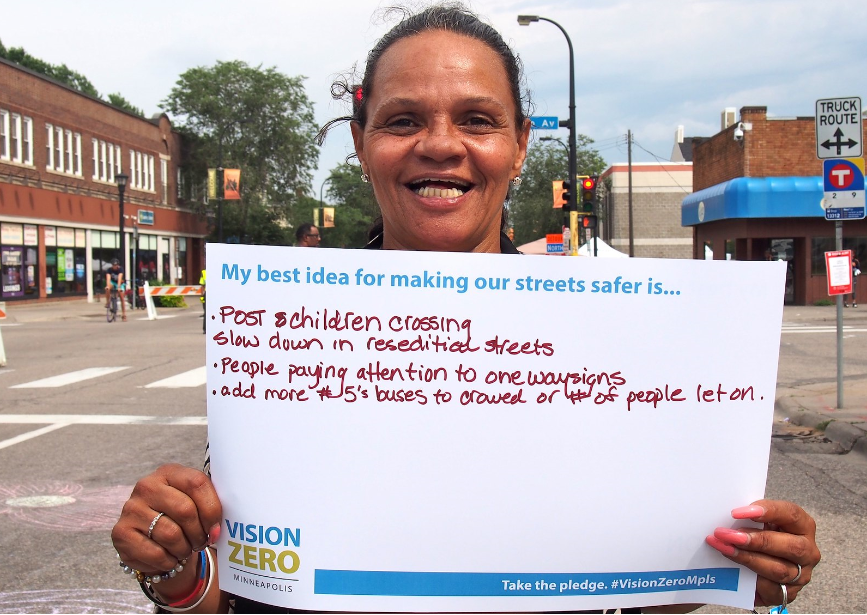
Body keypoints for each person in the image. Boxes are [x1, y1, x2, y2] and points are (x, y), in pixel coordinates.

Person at [111, 5, 820, 613]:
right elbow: (232, 591)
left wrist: (741, 569)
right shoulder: (294, 332)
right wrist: (172, 564)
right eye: (403, 119)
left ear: (518, 147)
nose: (442, 144)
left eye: (476, 119)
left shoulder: (607, 335)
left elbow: (621, 583)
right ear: (361, 144)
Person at [199, 268, 206, 334]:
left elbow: (202, 285)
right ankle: (205, 329)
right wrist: (202, 296)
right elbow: (202, 285)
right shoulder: (204, 272)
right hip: (207, 293)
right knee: (206, 312)